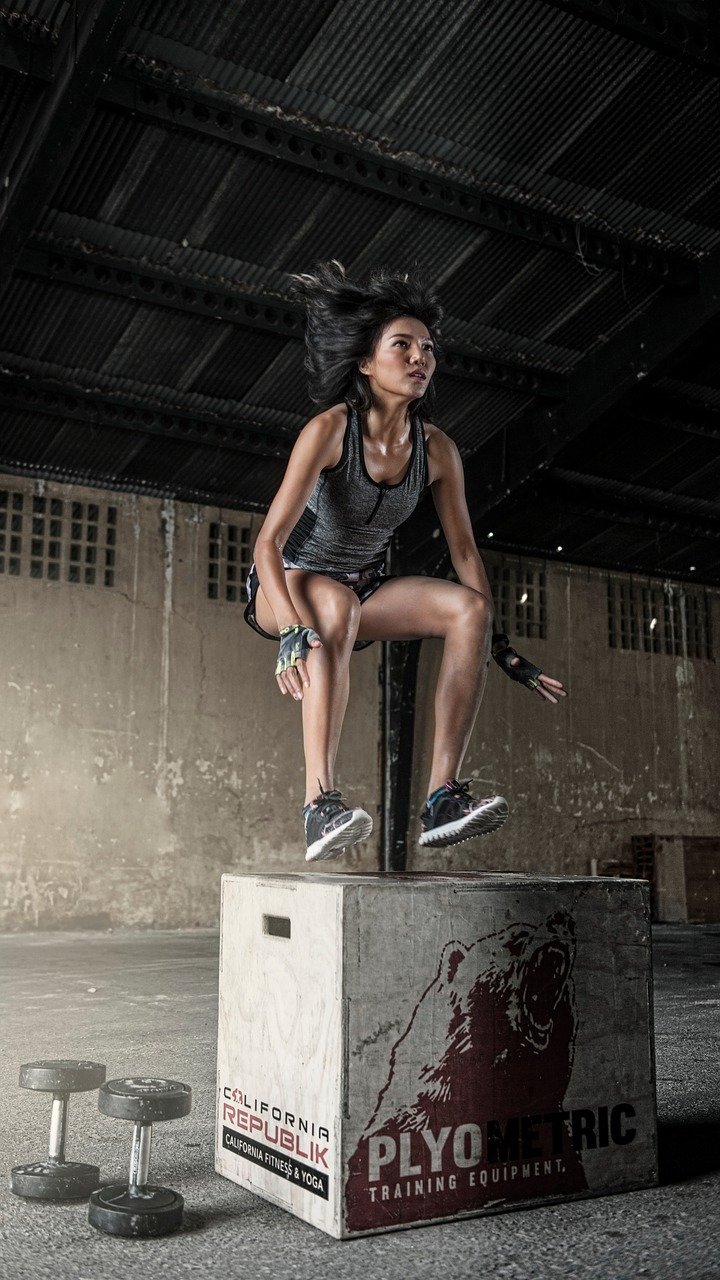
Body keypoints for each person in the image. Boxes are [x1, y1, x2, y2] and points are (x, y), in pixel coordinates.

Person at [244, 262, 567, 862]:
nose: (420, 357)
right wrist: (292, 628)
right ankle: (319, 805)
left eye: (428, 349)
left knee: (468, 609)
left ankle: (441, 800)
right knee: (333, 605)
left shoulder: (437, 448)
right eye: (403, 345)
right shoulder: (329, 430)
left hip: (362, 589)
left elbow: (465, 551)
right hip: (284, 583)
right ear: (367, 362)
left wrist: (500, 645)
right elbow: (267, 543)